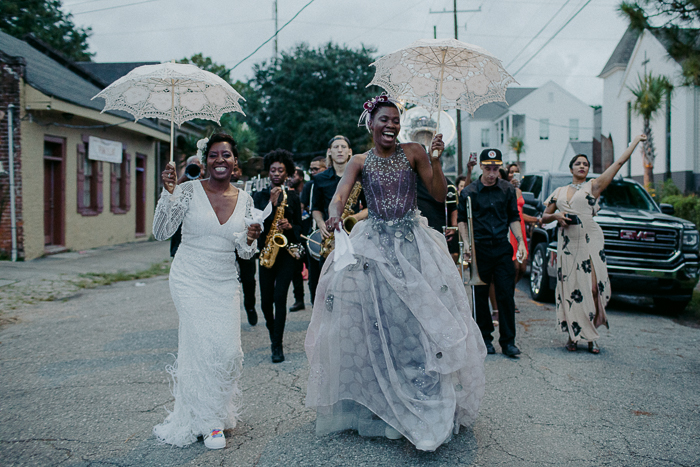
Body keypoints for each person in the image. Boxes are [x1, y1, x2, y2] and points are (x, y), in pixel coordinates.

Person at [305, 94, 486, 452]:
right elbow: (340, 194)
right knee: (382, 326)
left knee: (417, 324)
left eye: (395, 120)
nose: (390, 125)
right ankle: (386, 406)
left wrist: (434, 160)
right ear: (370, 124)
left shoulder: (413, 153)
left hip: (413, 247)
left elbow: (437, 194)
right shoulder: (360, 160)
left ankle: (423, 400)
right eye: (383, 120)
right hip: (374, 248)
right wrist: (334, 212)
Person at [152, 133, 262, 449]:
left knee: (229, 353)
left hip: (224, 281)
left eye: (225, 155)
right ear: (204, 160)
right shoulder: (186, 191)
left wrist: (251, 238)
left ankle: (214, 410)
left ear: (235, 162)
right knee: (200, 346)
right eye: (213, 155)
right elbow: (161, 232)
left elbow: (243, 252)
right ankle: (208, 422)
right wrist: (167, 194)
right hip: (188, 279)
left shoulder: (245, 199)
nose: (219, 160)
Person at [541, 134, 647, 354]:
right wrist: (557, 216)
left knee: (591, 288)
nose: (582, 166)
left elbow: (618, 163)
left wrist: (635, 141)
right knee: (570, 289)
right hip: (568, 243)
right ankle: (573, 335)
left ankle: (591, 336)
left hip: (589, 239)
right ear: (571, 168)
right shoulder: (558, 192)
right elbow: (543, 217)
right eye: (578, 163)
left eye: (586, 164)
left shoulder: (594, 186)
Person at [458, 148, 527, 358]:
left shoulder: (507, 190)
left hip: (501, 247)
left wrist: (521, 242)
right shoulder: (469, 192)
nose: (491, 173)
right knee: (480, 296)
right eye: (488, 168)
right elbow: (461, 219)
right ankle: (485, 339)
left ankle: (508, 342)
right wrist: (467, 243)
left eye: (495, 169)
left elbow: (514, 217)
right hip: (479, 248)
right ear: (481, 166)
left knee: (506, 294)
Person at [253, 149, 303, 363]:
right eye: (272, 169)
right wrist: (271, 206)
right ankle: (272, 330)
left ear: (287, 173)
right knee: (265, 302)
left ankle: (277, 344)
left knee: (279, 298)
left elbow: (301, 226)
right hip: (266, 252)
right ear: (268, 172)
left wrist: (290, 226)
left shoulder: (292, 196)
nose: (276, 173)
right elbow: (255, 225)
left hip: (286, 254)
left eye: (280, 170)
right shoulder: (259, 196)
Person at [311, 135, 368, 260]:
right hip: (330, 236)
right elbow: (315, 208)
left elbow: (369, 208)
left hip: (354, 235)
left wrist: (354, 218)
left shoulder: (360, 178)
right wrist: (321, 224)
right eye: (336, 147)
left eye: (343, 147)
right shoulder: (319, 179)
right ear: (329, 152)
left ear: (350, 152)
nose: (340, 150)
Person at [231, 165, 258, 326]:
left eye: (236, 169)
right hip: (226, 240)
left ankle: (250, 306)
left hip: (244, 238)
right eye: (231, 170)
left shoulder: (249, 189)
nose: (233, 173)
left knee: (249, 278)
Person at [300, 156, 327, 305]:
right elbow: (302, 208)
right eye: (311, 169)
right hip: (313, 234)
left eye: (316, 169)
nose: (312, 172)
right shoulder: (308, 186)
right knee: (314, 278)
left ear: (326, 168)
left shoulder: (332, 182)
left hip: (330, 234)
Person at [169, 155, 205, 258]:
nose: (196, 169)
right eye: (192, 166)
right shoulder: (182, 185)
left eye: (199, 167)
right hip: (182, 239)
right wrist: (185, 177)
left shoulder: (209, 184)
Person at [288, 167, 307, 312]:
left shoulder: (306, 190)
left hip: (309, 233)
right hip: (297, 235)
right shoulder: (290, 193)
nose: (290, 178)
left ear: (301, 177)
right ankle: (299, 300)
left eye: (293, 175)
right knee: (296, 269)